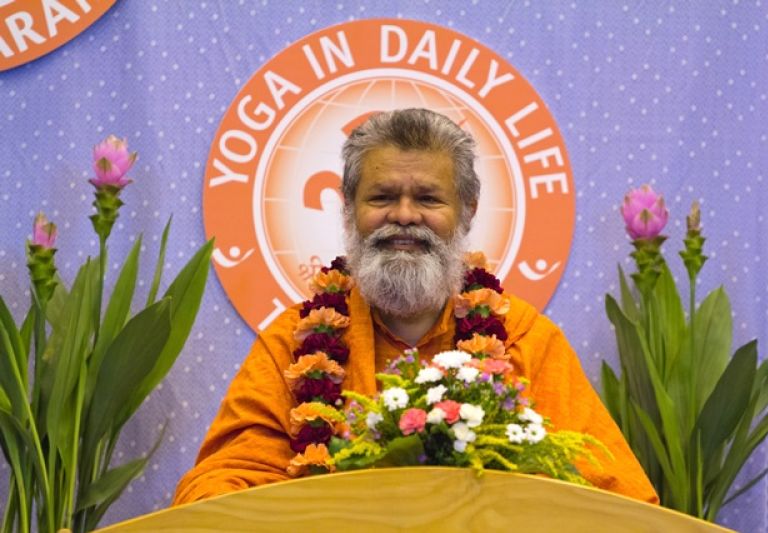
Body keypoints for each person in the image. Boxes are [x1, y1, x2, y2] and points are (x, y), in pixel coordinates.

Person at [173, 108, 658, 505]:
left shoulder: (525, 340)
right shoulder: (292, 343)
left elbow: (615, 497)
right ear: (349, 209)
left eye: (428, 198)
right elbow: (219, 486)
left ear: (467, 210)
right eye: (382, 197)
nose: (404, 216)